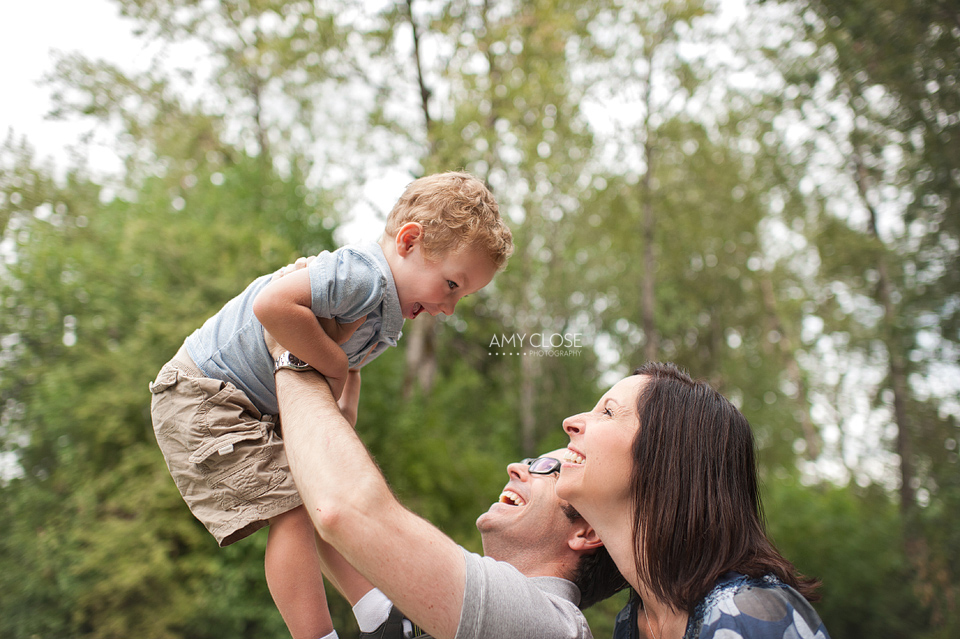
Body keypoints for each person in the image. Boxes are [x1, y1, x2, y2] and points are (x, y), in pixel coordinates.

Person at [148, 171, 513, 639]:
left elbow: (349, 367)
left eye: (462, 295)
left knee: (321, 495)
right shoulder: (363, 275)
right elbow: (272, 305)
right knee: (292, 510)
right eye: (451, 285)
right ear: (409, 241)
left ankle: (382, 615)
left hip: (249, 404)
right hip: (202, 395)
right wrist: (335, 365)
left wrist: (341, 411)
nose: (450, 308)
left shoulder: (389, 310)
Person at [269, 346, 628, 639]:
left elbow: (342, 511)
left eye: (547, 470)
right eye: (530, 459)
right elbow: (322, 507)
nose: (517, 467)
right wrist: (329, 426)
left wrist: (291, 356)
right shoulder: (407, 621)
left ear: (587, 532)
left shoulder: (550, 629)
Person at [557, 362, 831, 639]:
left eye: (607, 412)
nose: (571, 422)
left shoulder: (751, 617)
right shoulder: (632, 624)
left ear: (665, 458)